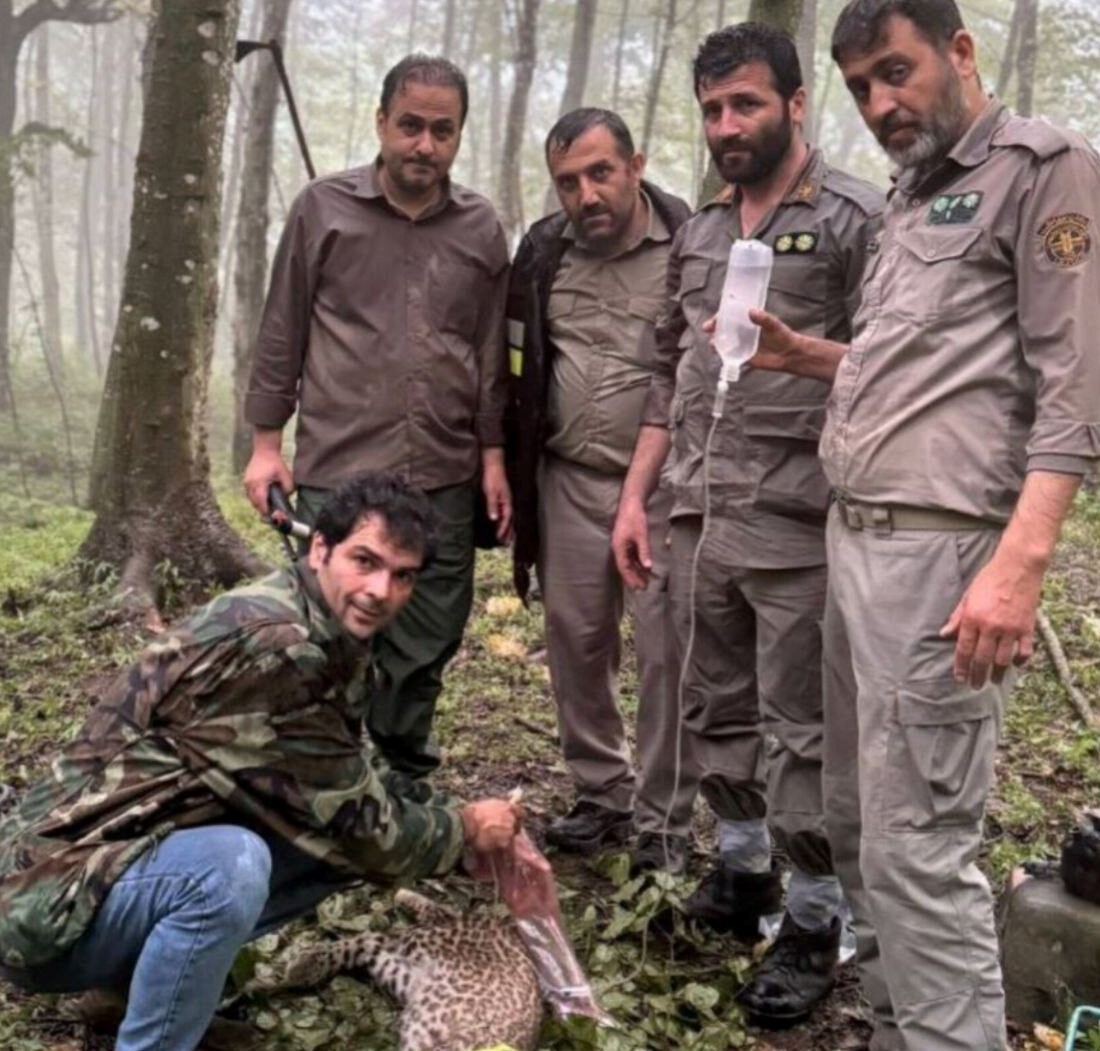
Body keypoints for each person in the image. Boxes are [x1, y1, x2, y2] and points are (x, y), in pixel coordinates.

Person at [743, 2, 1100, 1048]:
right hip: (855, 541)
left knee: (917, 846)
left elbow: (1072, 386)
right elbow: (919, 368)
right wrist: (803, 353)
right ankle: (904, 1031)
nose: (878, 103)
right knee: (858, 830)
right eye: (858, 87)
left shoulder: (1044, 169)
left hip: (944, 556)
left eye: (893, 73)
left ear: (957, 50)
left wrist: (1018, 561)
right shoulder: (914, 194)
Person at [0, 472, 523, 1051]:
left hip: (111, 870)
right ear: (320, 547)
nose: (380, 590)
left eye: (402, 576)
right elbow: (371, 831)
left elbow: (352, 778)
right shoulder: (282, 646)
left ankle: (131, 998)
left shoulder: (321, 621)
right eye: (365, 561)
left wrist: (452, 814)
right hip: (41, 911)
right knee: (230, 867)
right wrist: (467, 829)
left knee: (323, 845)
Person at [611, 23, 882, 1026]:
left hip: (799, 525)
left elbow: (897, 363)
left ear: (795, 104)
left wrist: (802, 352)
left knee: (800, 732)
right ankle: (741, 869)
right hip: (698, 516)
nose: (727, 125)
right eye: (713, 109)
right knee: (712, 705)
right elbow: (665, 367)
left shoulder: (855, 218)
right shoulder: (702, 230)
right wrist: (640, 496)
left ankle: (814, 918)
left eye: (746, 105)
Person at [242, 54, 512, 781]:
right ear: (381, 123)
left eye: (442, 131)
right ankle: (323, 778)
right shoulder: (323, 209)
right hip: (343, 469)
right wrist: (266, 445)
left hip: (445, 472)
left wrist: (493, 458)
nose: (424, 145)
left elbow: (489, 355)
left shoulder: (481, 227)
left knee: (429, 630)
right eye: (411, 126)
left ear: (459, 138)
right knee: (330, 628)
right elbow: (282, 330)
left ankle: (397, 777)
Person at [506, 108, 696, 873]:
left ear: (636, 164)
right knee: (577, 640)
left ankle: (663, 818)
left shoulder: (691, 241)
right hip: (569, 478)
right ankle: (601, 792)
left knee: (664, 650)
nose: (584, 194)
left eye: (599, 173)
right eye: (567, 182)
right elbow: (514, 362)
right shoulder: (543, 251)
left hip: (664, 487)